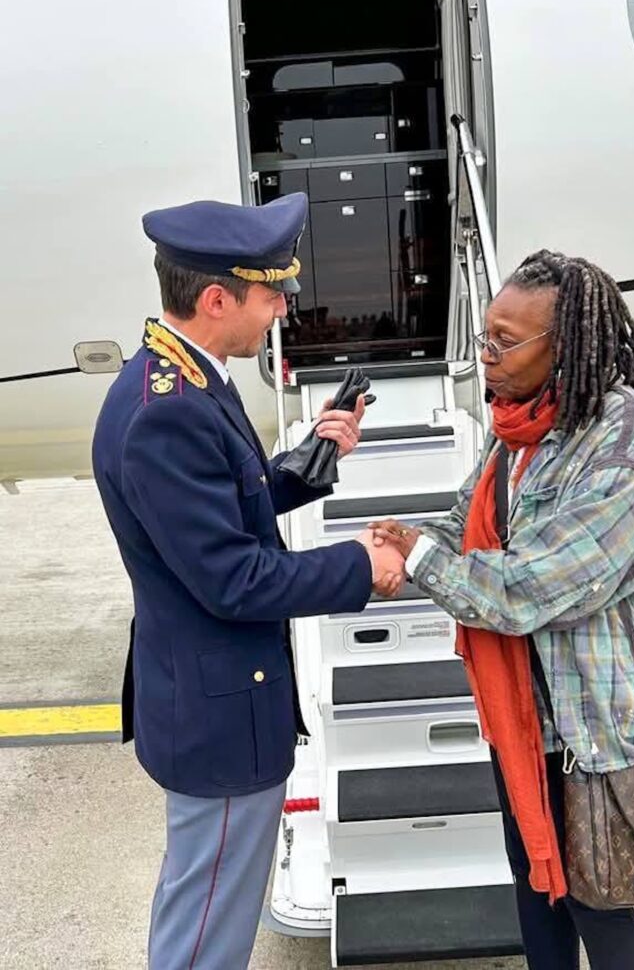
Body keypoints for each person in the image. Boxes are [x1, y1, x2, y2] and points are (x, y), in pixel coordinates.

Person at [91, 194, 403, 970]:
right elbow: (231, 579)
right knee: (206, 933)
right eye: (271, 293)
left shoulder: (188, 375)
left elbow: (225, 505)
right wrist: (359, 565)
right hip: (219, 715)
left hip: (213, 696)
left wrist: (314, 458)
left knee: (203, 903)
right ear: (217, 298)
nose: (283, 307)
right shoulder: (165, 412)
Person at [370, 249, 634, 970]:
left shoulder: (618, 431)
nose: (484, 357)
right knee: (535, 883)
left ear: (565, 343)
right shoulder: (516, 427)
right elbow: (469, 519)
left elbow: (541, 584)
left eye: (502, 341)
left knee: (595, 897)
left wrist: (423, 562)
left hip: (593, 716)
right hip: (522, 708)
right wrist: (403, 545)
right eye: (483, 337)